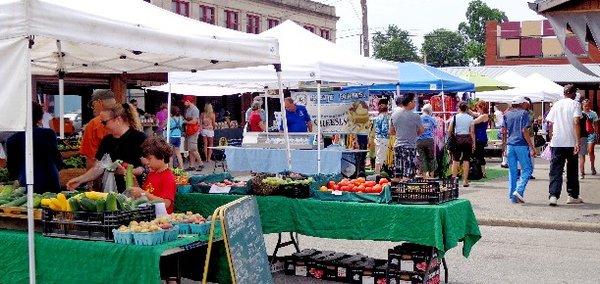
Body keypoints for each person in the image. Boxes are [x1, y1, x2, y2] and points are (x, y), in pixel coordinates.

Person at [66, 103, 147, 193]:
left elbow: (148, 167)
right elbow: (98, 168)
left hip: (135, 194)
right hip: (112, 193)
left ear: (118, 120)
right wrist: (79, 180)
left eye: (104, 122)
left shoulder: (139, 138)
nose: (103, 125)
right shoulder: (107, 141)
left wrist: (128, 171)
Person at [6, 102, 62, 194]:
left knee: (31, 207)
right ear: (40, 117)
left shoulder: (12, 139)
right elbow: (56, 158)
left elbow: (12, 168)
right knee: (52, 205)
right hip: (50, 179)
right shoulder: (49, 134)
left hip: (26, 181)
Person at [546, 84, 583, 206]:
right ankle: (572, 195)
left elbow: (550, 122)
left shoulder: (556, 104)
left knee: (556, 169)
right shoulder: (575, 104)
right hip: (571, 142)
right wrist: (578, 141)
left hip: (557, 142)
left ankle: (553, 195)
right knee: (572, 169)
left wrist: (551, 136)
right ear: (573, 94)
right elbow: (576, 122)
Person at [502, 97, 537, 203]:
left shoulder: (506, 114)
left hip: (510, 145)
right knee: (527, 169)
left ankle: (512, 197)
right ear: (521, 103)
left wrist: (504, 147)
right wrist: (531, 146)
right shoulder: (524, 113)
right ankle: (519, 190)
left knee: (512, 172)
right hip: (521, 144)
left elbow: (504, 131)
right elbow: (524, 131)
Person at [130, 136, 176, 214]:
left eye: (149, 159)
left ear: (161, 156)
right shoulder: (151, 174)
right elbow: (143, 195)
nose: (147, 162)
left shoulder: (168, 177)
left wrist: (144, 193)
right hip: (149, 215)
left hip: (161, 219)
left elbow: (166, 204)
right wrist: (133, 179)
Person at [390, 93, 424, 181]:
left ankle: (396, 192)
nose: (415, 103)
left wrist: (401, 133)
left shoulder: (394, 115)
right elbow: (421, 130)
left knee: (398, 173)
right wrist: (412, 133)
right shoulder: (416, 116)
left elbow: (391, 131)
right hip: (409, 147)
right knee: (408, 174)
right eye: (414, 102)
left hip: (397, 146)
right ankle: (405, 192)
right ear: (409, 103)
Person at [80, 90, 116, 169]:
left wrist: (89, 180)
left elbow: (91, 158)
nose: (93, 109)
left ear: (99, 102)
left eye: (93, 105)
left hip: (105, 175)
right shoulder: (127, 119)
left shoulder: (94, 124)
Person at [448, 102, 475, 187]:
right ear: (467, 108)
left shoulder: (455, 117)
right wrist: (473, 143)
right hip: (467, 140)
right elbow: (472, 132)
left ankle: (454, 180)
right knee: (466, 160)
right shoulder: (470, 118)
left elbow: (449, 130)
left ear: (458, 108)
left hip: (457, 139)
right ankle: (465, 181)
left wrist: (450, 138)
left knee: (455, 160)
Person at [183, 96, 203, 171]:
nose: (184, 103)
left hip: (193, 130)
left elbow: (194, 121)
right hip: (189, 130)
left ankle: (201, 163)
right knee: (190, 149)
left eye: (185, 101)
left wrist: (185, 122)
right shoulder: (188, 109)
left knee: (193, 148)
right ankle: (192, 165)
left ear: (188, 101)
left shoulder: (195, 110)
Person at [416, 104, 437, 178]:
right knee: (431, 158)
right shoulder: (432, 119)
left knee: (422, 158)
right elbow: (435, 128)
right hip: (429, 140)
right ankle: (431, 176)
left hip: (419, 140)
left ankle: (424, 177)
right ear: (430, 111)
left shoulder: (418, 118)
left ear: (422, 110)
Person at [470, 101, 489, 178]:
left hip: (480, 138)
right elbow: (473, 113)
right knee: (478, 155)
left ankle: (483, 173)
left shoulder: (484, 116)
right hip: (479, 137)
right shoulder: (480, 114)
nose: (476, 109)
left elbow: (473, 122)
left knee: (480, 155)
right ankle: (481, 171)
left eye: (478, 107)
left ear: (482, 108)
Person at [581, 98, 598, 176]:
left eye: (588, 106)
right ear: (582, 106)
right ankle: (582, 170)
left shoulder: (593, 113)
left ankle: (592, 167)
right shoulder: (580, 113)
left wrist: (596, 134)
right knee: (583, 152)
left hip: (591, 134)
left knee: (590, 151)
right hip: (582, 134)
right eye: (585, 106)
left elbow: (596, 125)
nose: (587, 107)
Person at [372, 100, 390, 174]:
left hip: (377, 138)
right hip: (383, 138)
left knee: (378, 156)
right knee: (381, 157)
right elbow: (384, 129)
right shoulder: (385, 117)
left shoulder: (377, 117)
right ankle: (377, 173)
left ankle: (377, 172)